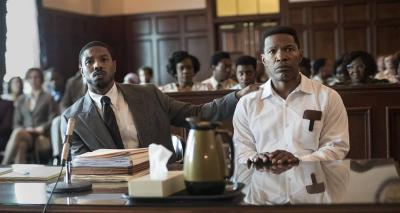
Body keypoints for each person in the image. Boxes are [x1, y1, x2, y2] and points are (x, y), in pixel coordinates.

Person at [61, 41, 257, 161]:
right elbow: (81, 167)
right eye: (89, 62)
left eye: (104, 59)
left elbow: (198, 114)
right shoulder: (72, 118)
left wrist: (237, 96)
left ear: (114, 65)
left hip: (160, 182)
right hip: (109, 192)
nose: (97, 65)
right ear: (81, 70)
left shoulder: (149, 94)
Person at [233, 26, 349, 165]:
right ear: (263, 60)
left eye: (288, 49)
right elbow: (241, 150)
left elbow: (336, 147)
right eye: (272, 51)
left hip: (311, 181)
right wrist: (257, 159)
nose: (281, 57)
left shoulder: (328, 97)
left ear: (300, 55)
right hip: (265, 182)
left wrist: (298, 161)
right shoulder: (247, 103)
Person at [1, 68, 58, 165]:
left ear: (41, 79)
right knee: (19, 135)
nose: (33, 80)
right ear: (27, 80)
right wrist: (25, 129)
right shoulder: (22, 99)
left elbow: (54, 117)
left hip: (41, 134)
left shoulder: (48, 97)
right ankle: (16, 174)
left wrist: (42, 128)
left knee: (20, 142)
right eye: (30, 78)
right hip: (26, 134)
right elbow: (16, 123)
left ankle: (4, 165)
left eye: (36, 77)